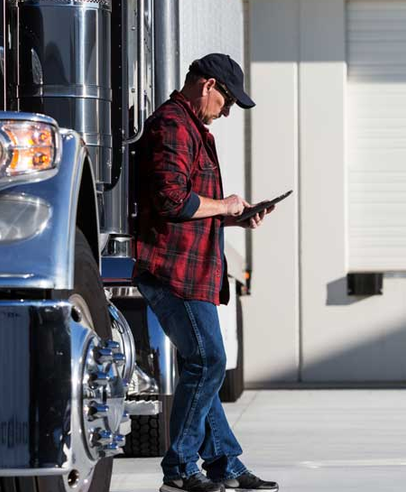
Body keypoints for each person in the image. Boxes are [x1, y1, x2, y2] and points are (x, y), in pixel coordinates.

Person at [133, 53, 278, 492]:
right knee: (209, 360)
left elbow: (193, 208)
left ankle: (225, 465)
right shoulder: (172, 126)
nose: (229, 110)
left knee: (204, 368)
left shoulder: (194, 129)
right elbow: (173, 202)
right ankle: (179, 470)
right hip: (172, 269)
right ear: (208, 85)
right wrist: (227, 205)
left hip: (191, 269)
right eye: (228, 100)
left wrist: (234, 217)